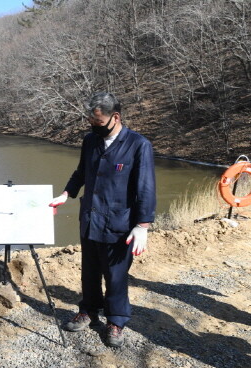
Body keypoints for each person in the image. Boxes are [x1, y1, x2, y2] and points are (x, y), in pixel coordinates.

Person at [49, 92, 156, 348]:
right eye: (90, 122)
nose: (93, 127)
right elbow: (81, 171)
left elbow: (146, 188)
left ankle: (116, 321)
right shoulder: (91, 141)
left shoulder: (138, 145)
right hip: (90, 218)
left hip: (120, 224)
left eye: (97, 122)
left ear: (115, 117)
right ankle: (88, 310)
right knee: (89, 271)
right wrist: (67, 193)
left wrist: (143, 225)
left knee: (116, 275)